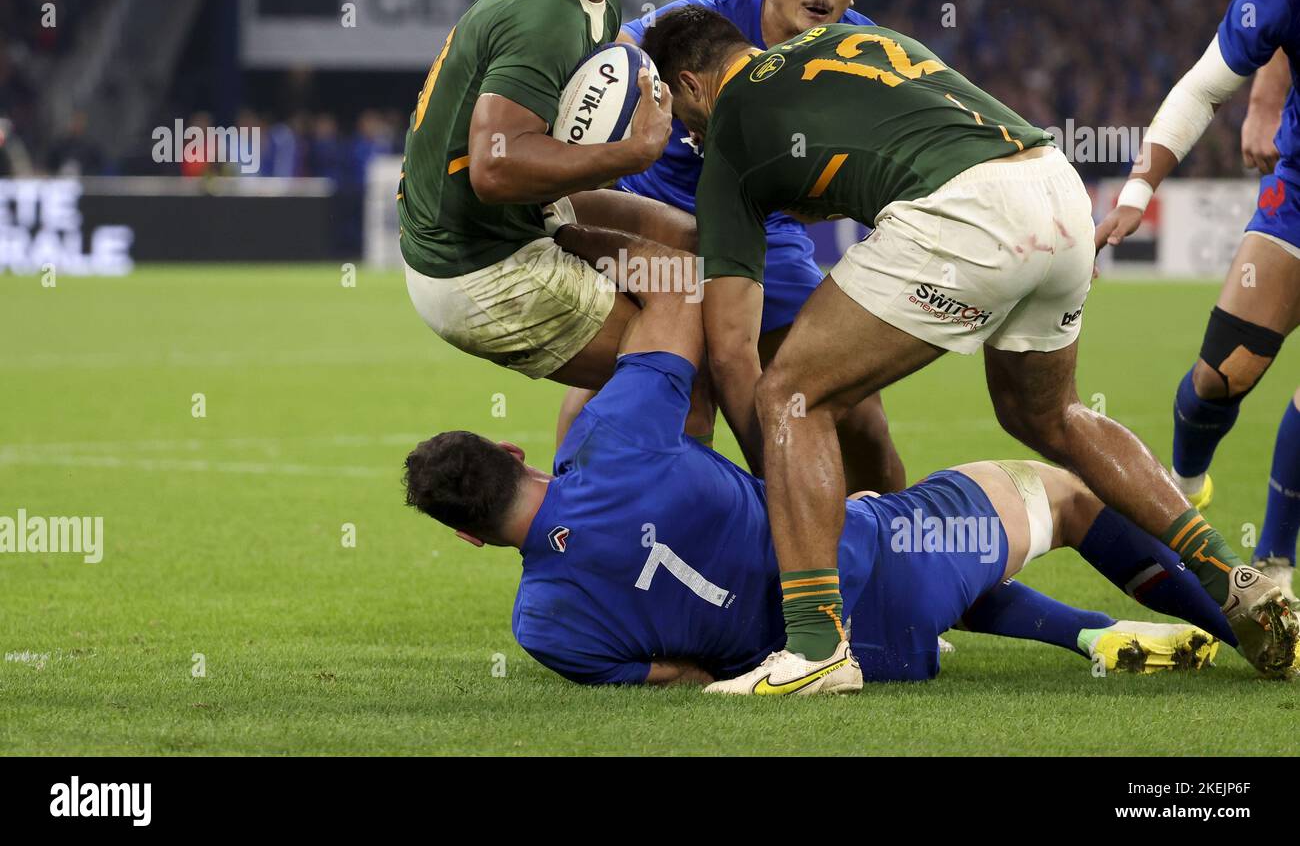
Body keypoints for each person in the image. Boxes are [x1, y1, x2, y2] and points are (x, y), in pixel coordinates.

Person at [638, 5, 1297, 692]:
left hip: (965, 215)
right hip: (1054, 186)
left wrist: (776, 476)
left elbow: (733, 353)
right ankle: (1232, 573)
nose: (684, 131)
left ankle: (814, 648)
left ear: (689, 82)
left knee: (790, 396)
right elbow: (869, 147)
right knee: (1053, 415)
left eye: (674, 109)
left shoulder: (730, 133)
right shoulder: (841, 41)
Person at [402, 246, 1235, 691]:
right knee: (1070, 495)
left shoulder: (541, 629)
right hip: (878, 561)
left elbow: (676, 675)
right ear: (512, 451)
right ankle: (1253, 627)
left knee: (933, 572)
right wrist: (570, 229)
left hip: (869, 657)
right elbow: (674, 294)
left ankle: (1093, 634)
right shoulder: (614, 439)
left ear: (470, 538)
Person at [560, 0, 904, 490]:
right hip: (655, 218)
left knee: (857, 414)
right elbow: (613, 57)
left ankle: (897, 549)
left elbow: (888, 158)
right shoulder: (702, 24)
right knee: (637, 394)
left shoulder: (862, 53)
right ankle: (587, 534)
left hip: (765, 230)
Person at [396, 0, 682, 392]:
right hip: (475, 266)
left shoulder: (593, 0)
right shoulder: (542, 15)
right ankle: (607, 475)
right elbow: (494, 170)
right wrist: (633, 153)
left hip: (513, 221)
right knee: (680, 370)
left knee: (696, 245)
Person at [1096, 0, 1300, 603]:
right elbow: (1202, 89)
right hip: (1296, 191)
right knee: (1221, 374)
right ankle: (1184, 487)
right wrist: (1135, 193)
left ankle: (1273, 571)